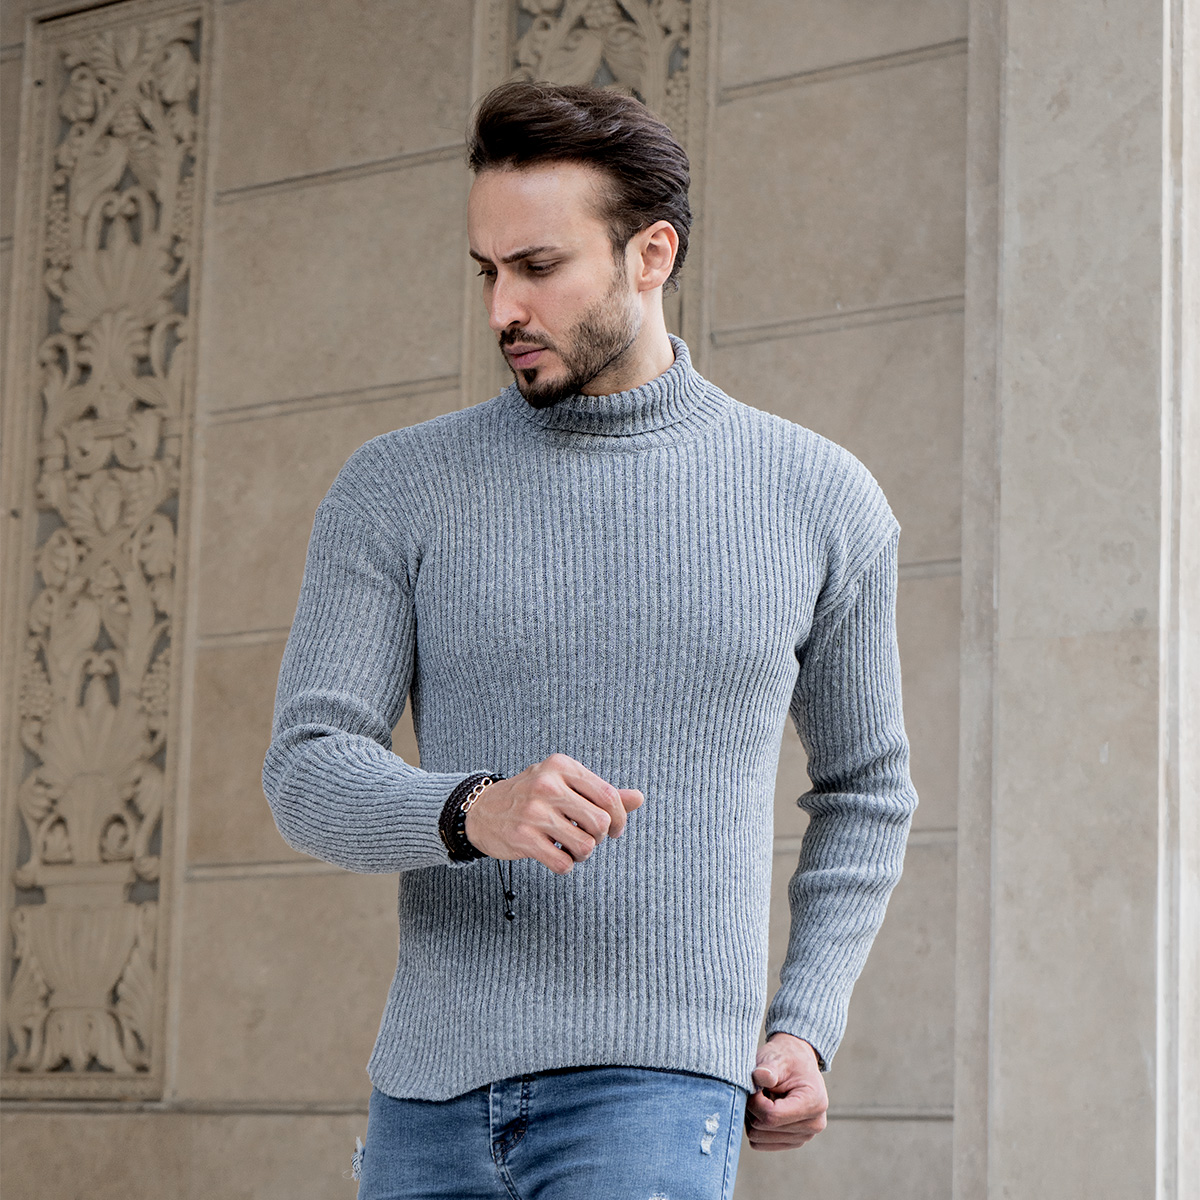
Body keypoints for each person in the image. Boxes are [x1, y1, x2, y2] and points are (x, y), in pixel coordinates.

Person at [262, 79, 918, 1200]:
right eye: (487, 271)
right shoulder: (397, 487)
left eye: (538, 266)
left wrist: (806, 1023)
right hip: (425, 1100)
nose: (503, 308)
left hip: (657, 1095)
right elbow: (305, 770)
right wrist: (474, 810)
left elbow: (866, 789)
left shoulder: (818, 498)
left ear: (650, 255)